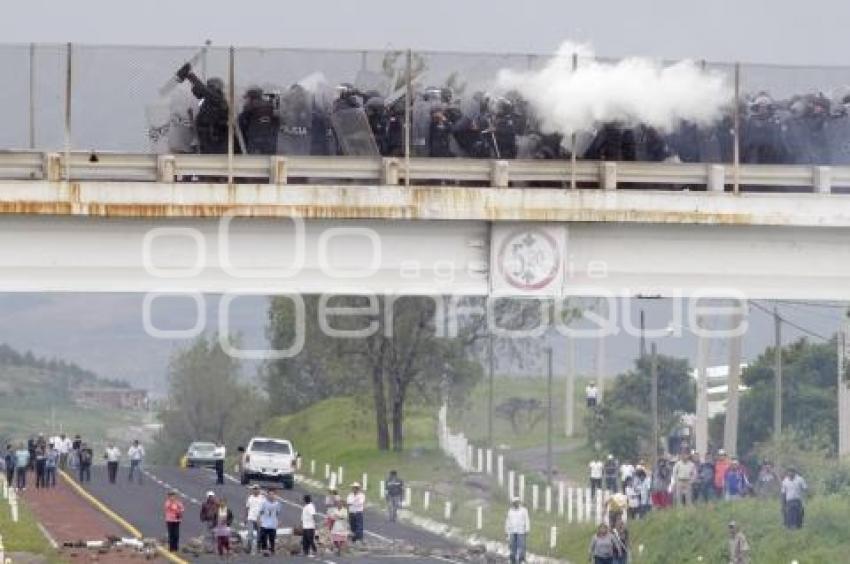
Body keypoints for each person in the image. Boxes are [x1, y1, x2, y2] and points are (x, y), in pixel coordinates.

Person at [504, 498, 530, 564]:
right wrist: (506, 530)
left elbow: (527, 520)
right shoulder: (510, 511)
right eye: (514, 502)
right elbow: (508, 521)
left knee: (521, 545)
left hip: (521, 531)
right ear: (513, 503)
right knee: (512, 545)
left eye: (517, 502)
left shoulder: (524, 510)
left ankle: (521, 559)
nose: (516, 503)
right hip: (512, 531)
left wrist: (527, 529)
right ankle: (512, 559)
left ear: (519, 502)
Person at [258, 490, 281, 555]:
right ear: (267, 495)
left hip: (272, 524)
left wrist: (277, 521)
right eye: (270, 494)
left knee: (272, 538)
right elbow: (260, 512)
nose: (271, 496)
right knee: (263, 537)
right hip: (264, 523)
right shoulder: (264, 503)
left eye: (272, 494)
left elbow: (277, 513)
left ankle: (272, 550)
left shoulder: (277, 504)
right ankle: (264, 550)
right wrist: (259, 520)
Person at [243, 485, 264, 554]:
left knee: (259, 534)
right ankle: (248, 548)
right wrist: (245, 517)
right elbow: (247, 508)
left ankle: (259, 547)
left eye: (256, 489)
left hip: (259, 519)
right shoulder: (250, 498)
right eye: (254, 489)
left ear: (259, 490)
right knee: (250, 533)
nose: (255, 490)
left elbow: (264, 509)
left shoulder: (262, 498)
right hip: (251, 518)